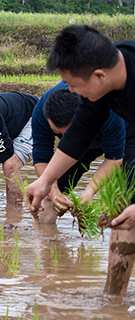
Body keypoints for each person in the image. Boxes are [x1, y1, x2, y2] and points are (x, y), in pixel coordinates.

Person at [24, 25, 135, 295]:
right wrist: (46, 182)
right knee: (123, 214)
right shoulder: (102, 80)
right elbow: (78, 134)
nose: (69, 91)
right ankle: (114, 301)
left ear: (99, 76)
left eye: (74, 85)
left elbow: (114, 157)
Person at [30, 83, 135, 222]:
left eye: (69, 133)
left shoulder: (108, 110)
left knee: (127, 192)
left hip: (128, 133)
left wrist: (89, 192)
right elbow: (41, 158)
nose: (65, 138)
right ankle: (45, 239)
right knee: (47, 195)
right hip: (80, 141)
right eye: (58, 133)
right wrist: (54, 192)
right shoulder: (40, 115)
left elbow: (114, 158)